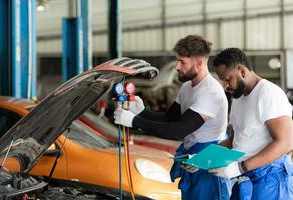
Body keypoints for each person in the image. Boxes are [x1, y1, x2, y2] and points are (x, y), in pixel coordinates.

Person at [114, 35, 231, 200]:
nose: (176, 66)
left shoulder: (211, 92)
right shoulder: (186, 87)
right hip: (193, 160)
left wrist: (134, 121)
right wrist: (140, 111)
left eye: (182, 62)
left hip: (209, 166)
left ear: (199, 63)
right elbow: (170, 118)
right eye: (177, 60)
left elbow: (178, 130)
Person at [209, 47, 293, 200]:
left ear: (242, 70)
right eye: (222, 80)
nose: (225, 85)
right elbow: (234, 141)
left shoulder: (268, 94)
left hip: (270, 178)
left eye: (227, 79)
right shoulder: (238, 98)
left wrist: (240, 167)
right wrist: (202, 158)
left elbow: (286, 143)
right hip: (246, 176)